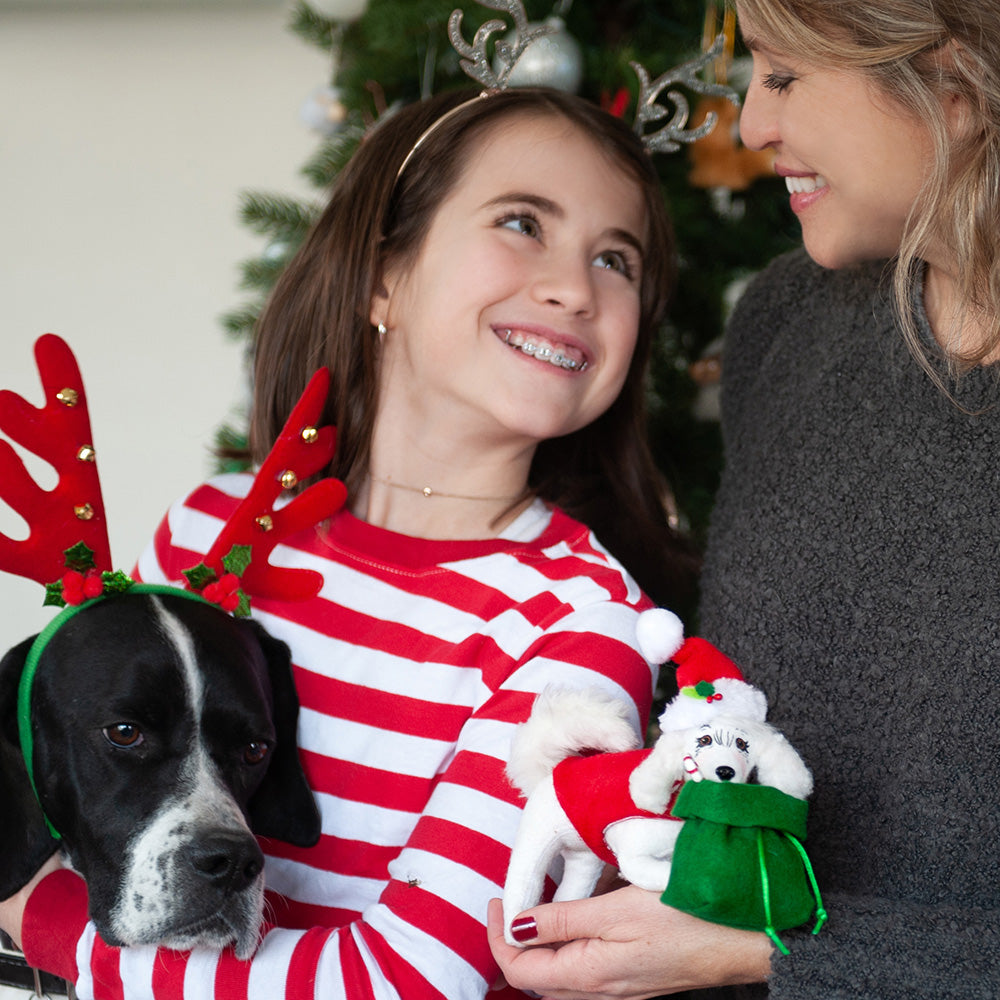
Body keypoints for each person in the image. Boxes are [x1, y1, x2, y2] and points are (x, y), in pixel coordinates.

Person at [0, 83, 699, 1000]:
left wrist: (37, 920)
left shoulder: (581, 628)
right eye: (523, 222)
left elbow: (410, 981)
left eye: (617, 259)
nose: (575, 286)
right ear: (384, 276)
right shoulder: (218, 536)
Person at [487, 1, 1000, 998]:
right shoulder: (788, 323)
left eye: (783, 76)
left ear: (954, 81)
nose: (751, 125)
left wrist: (770, 950)